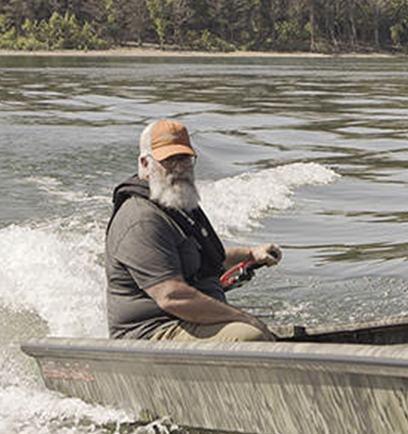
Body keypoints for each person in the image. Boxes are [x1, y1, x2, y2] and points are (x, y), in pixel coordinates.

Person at [105, 118, 282, 340]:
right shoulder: (142, 219)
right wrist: (244, 318)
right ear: (145, 164)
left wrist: (250, 253)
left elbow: (198, 257)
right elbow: (173, 296)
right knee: (248, 336)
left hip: (186, 322)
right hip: (151, 334)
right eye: (169, 160)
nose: (179, 168)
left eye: (185, 159)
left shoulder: (176, 204)